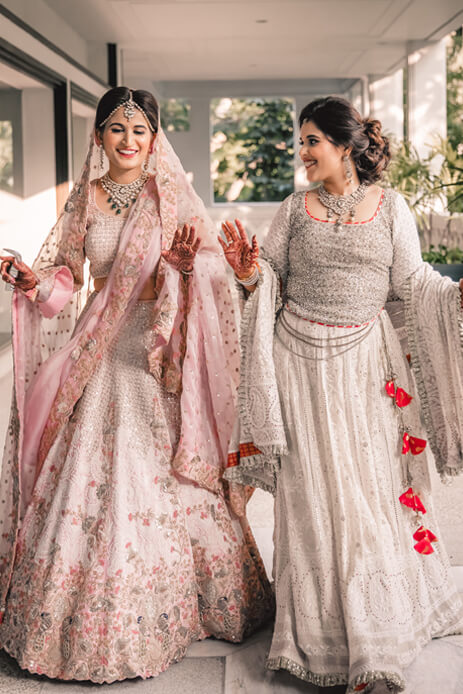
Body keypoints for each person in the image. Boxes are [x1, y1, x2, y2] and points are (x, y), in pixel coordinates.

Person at [0, 87, 273, 683]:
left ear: (155, 140)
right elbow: (68, 281)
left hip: (158, 351)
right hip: (98, 349)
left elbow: (214, 273)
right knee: (84, 472)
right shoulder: (85, 201)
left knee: (167, 466)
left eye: (140, 130)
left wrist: (180, 272)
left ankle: (188, 603)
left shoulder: (169, 198)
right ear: (98, 137)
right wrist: (31, 282)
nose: (128, 141)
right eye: (117, 129)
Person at [220, 96, 463, 694]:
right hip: (298, 366)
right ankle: (319, 635)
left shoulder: (392, 208)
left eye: (311, 141)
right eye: (300, 142)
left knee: (368, 496)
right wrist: (249, 271)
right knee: (312, 501)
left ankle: (374, 637)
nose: (302, 153)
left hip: (366, 372)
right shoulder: (294, 210)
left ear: (345, 145)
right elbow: (266, 277)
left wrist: (456, 300)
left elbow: (412, 283)